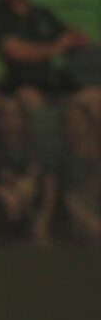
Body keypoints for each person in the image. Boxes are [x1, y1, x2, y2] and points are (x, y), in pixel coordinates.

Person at [0, 0, 92, 112]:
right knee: (29, 98)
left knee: (94, 97)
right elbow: (16, 52)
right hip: (14, 87)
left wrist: (76, 37)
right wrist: (57, 46)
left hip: (54, 84)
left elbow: (76, 38)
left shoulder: (42, 14)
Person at [0, 97, 56, 246]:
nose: (10, 121)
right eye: (5, 116)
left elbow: (47, 187)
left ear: (24, 119)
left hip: (32, 213)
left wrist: (43, 221)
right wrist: (2, 193)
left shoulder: (35, 148)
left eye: (14, 115)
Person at [55, 100, 101, 247]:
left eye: (78, 122)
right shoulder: (62, 160)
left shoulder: (95, 157)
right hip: (79, 223)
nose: (74, 127)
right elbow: (69, 200)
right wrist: (92, 223)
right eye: (70, 122)